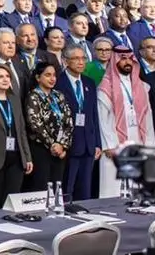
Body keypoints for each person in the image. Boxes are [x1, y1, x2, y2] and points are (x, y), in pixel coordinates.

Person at [98, 46, 155, 197]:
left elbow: (147, 116)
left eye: (130, 59)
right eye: (123, 59)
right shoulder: (105, 87)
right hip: (115, 142)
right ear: (115, 61)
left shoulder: (142, 86)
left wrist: (150, 144)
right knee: (114, 186)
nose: (127, 62)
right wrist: (109, 145)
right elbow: (102, 118)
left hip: (137, 138)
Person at [0, 64, 32, 209]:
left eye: (8, 76)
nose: (5, 79)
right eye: (0, 76)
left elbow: (21, 130)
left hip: (16, 159)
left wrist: (27, 157)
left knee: (11, 202)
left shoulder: (14, 100)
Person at [54, 45, 101, 201]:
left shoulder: (89, 83)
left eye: (83, 58)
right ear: (65, 61)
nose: (81, 62)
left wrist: (97, 143)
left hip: (88, 144)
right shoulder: (58, 83)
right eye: (76, 58)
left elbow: (94, 115)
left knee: (85, 190)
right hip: (69, 144)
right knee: (67, 188)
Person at [24, 61, 74, 191]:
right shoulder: (33, 97)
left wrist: (62, 145)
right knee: (42, 187)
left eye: (54, 75)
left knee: (57, 187)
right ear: (38, 77)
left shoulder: (58, 95)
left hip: (60, 150)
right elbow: (35, 124)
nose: (52, 78)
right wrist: (53, 145)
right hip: (42, 149)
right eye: (47, 75)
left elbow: (68, 121)